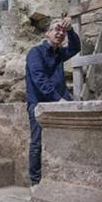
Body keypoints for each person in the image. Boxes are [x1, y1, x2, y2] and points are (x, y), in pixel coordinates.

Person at [25, 17, 80, 189]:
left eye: (62, 31)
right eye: (57, 29)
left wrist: (71, 30)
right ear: (47, 33)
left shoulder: (59, 53)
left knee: (67, 139)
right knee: (37, 143)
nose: (60, 33)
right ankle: (35, 182)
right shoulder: (35, 52)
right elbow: (39, 79)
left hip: (58, 102)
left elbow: (75, 48)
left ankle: (62, 178)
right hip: (38, 103)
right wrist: (59, 99)